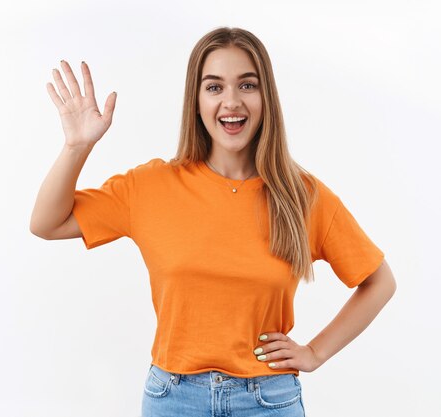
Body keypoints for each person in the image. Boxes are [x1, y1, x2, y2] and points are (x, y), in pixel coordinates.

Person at [30, 27, 396, 417]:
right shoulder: (151, 186)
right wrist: (77, 146)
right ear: (197, 100)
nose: (232, 102)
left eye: (247, 85)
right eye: (215, 87)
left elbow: (379, 282)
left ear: (265, 96)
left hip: (268, 399)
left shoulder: (302, 195)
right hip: (173, 399)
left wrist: (315, 353)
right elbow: (47, 223)